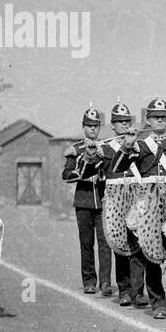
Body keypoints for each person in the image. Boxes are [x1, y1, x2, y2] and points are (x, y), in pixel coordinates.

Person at [124, 97, 166, 321]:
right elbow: (120, 166)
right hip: (148, 204)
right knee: (151, 254)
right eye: (155, 117)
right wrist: (128, 145)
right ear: (148, 120)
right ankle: (158, 303)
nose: (160, 120)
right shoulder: (140, 144)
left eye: (163, 117)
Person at [88, 103, 147, 308]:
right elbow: (94, 166)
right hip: (114, 199)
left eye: (127, 121)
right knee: (120, 246)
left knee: (139, 245)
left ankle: (138, 292)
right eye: (120, 122)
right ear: (112, 125)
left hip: (135, 197)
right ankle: (124, 291)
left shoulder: (139, 145)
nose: (124, 125)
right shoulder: (104, 148)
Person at [63, 105, 113, 296]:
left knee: (105, 243)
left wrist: (103, 157)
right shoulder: (75, 150)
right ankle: (89, 281)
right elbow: (66, 175)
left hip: (102, 203)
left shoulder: (106, 147)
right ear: (83, 127)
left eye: (96, 126)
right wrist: (84, 164)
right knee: (86, 243)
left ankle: (106, 282)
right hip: (83, 202)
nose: (92, 129)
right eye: (89, 125)